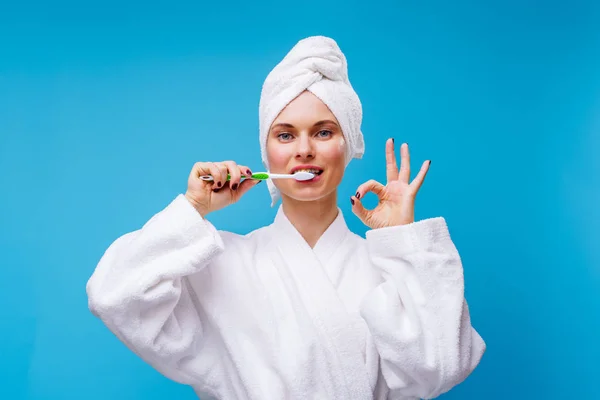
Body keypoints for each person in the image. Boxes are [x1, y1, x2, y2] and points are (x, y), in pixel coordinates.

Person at [86, 36, 485, 400]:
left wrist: (404, 242)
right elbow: (114, 296)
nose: (304, 150)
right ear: (267, 153)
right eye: (285, 134)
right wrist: (193, 209)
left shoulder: (386, 267)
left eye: (324, 132)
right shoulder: (222, 264)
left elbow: (442, 368)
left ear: (347, 147)